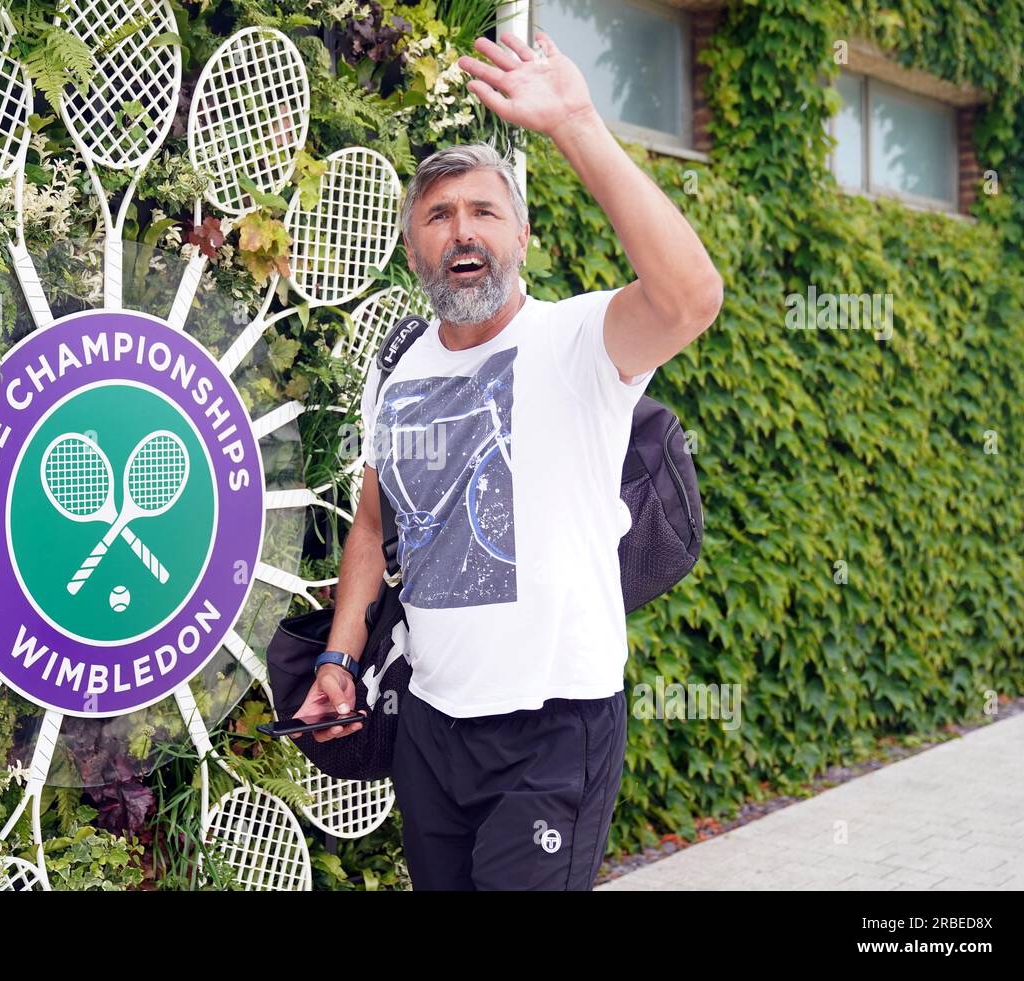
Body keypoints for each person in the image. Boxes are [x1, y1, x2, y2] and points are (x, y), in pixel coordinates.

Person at [290, 30, 723, 890]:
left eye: (485, 210)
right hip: (430, 725)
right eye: (439, 215)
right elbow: (376, 527)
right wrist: (339, 660)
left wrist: (577, 124)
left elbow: (690, 296)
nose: (463, 230)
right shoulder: (398, 365)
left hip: (553, 733)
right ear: (413, 248)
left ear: (521, 233)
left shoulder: (576, 344)